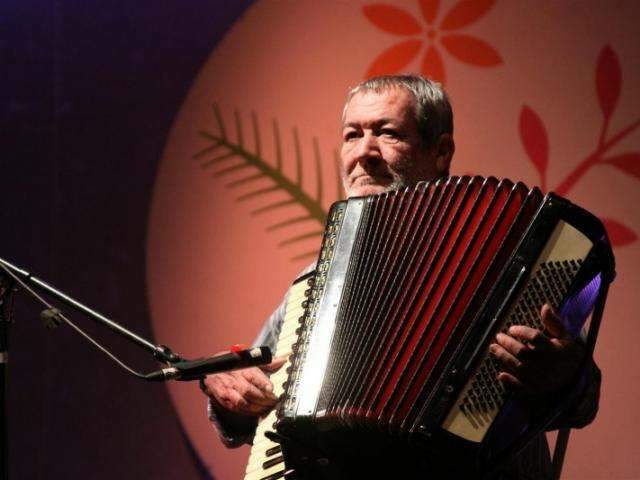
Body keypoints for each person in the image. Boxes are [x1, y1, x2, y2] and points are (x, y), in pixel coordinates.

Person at [200, 75, 601, 479]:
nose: (364, 153)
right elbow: (254, 395)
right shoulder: (314, 279)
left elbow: (583, 401)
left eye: (387, 134)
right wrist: (229, 395)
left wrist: (566, 377)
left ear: (441, 151)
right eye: (351, 135)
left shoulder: (509, 253)